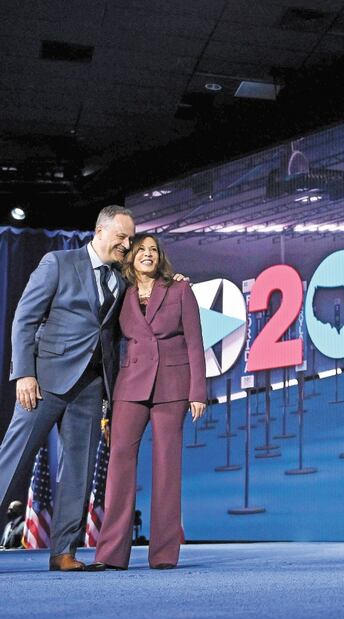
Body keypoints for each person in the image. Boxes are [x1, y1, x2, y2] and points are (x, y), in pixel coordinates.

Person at [0, 205, 135, 571]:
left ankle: (63, 552)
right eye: (121, 236)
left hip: (91, 387)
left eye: (131, 239)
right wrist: (23, 373)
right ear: (100, 231)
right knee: (11, 462)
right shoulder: (57, 262)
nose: (127, 244)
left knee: (79, 470)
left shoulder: (121, 280)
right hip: (43, 381)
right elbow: (24, 318)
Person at [89, 234, 206, 571]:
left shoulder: (180, 289)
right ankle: (110, 555)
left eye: (154, 250)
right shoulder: (119, 294)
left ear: (160, 258)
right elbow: (108, 344)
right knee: (119, 467)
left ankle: (164, 554)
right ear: (131, 258)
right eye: (142, 249)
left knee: (167, 469)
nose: (148, 254)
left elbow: (196, 344)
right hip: (130, 386)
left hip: (173, 386)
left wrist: (198, 391)